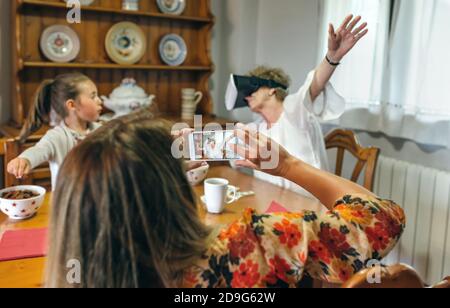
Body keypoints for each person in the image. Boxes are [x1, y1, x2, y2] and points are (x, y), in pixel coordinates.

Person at [45, 111, 405, 288]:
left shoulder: (76, 269)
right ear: (174, 192)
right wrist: (290, 165)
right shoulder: (249, 247)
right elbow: (382, 219)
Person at [237, 15, 369, 196]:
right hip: (271, 205)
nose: (247, 95)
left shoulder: (294, 111)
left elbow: (314, 85)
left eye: (253, 88)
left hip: (309, 206)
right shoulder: (258, 128)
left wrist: (332, 57)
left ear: (272, 90)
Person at [6, 73, 103, 189]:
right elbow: (39, 150)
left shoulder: (102, 130)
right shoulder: (57, 136)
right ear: (72, 105)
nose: (99, 101)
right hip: (66, 204)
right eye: (93, 96)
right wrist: (24, 159)